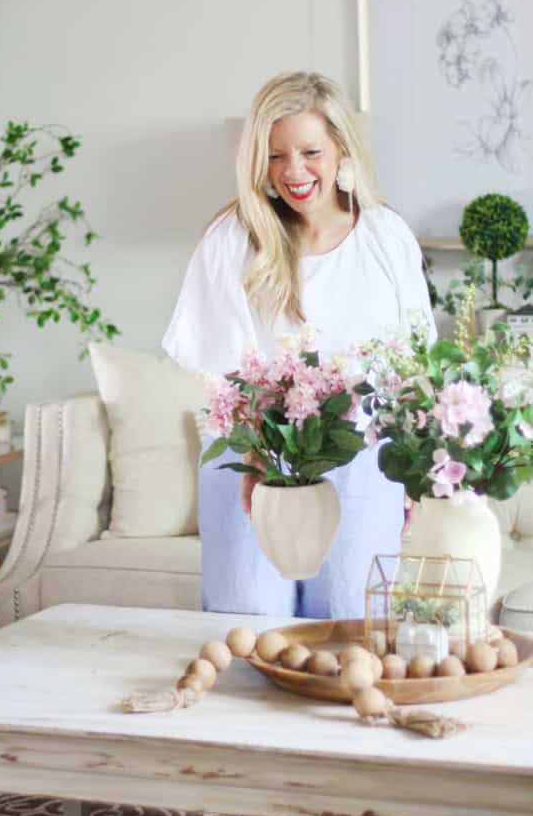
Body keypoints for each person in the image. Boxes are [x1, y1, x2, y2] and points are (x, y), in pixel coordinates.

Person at [162, 71, 436, 619]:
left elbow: (411, 369)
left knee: (348, 634)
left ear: (340, 149)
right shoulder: (233, 240)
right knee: (247, 631)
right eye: (275, 155)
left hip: (362, 464)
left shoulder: (386, 239)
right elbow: (214, 370)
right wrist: (253, 454)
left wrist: (410, 476)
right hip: (252, 460)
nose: (294, 171)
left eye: (310, 151)